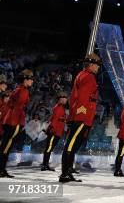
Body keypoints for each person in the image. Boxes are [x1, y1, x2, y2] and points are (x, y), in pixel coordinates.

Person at [59, 54, 101, 183]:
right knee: (71, 145)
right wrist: (83, 115)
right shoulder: (88, 77)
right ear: (92, 65)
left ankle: (67, 172)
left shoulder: (83, 75)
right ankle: (65, 174)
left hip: (81, 115)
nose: (98, 68)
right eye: (97, 65)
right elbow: (83, 98)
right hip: (82, 116)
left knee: (73, 144)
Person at [0, 69, 34, 178]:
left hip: (10, 120)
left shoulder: (18, 89)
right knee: (6, 147)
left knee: (5, 146)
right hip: (13, 121)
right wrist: (17, 123)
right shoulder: (23, 91)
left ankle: (2, 169)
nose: (32, 81)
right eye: (31, 79)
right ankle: (1, 169)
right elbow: (17, 108)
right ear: (25, 80)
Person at [41, 92, 68, 171]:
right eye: (65, 98)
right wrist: (52, 129)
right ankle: (44, 165)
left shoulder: (61, 108)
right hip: (54, 131)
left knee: (50, 148)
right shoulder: (58, 108)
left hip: (57, 131)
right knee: (49, 148)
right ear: (61, 99)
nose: (66, 99)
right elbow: (54, 120)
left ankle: (45, 164)